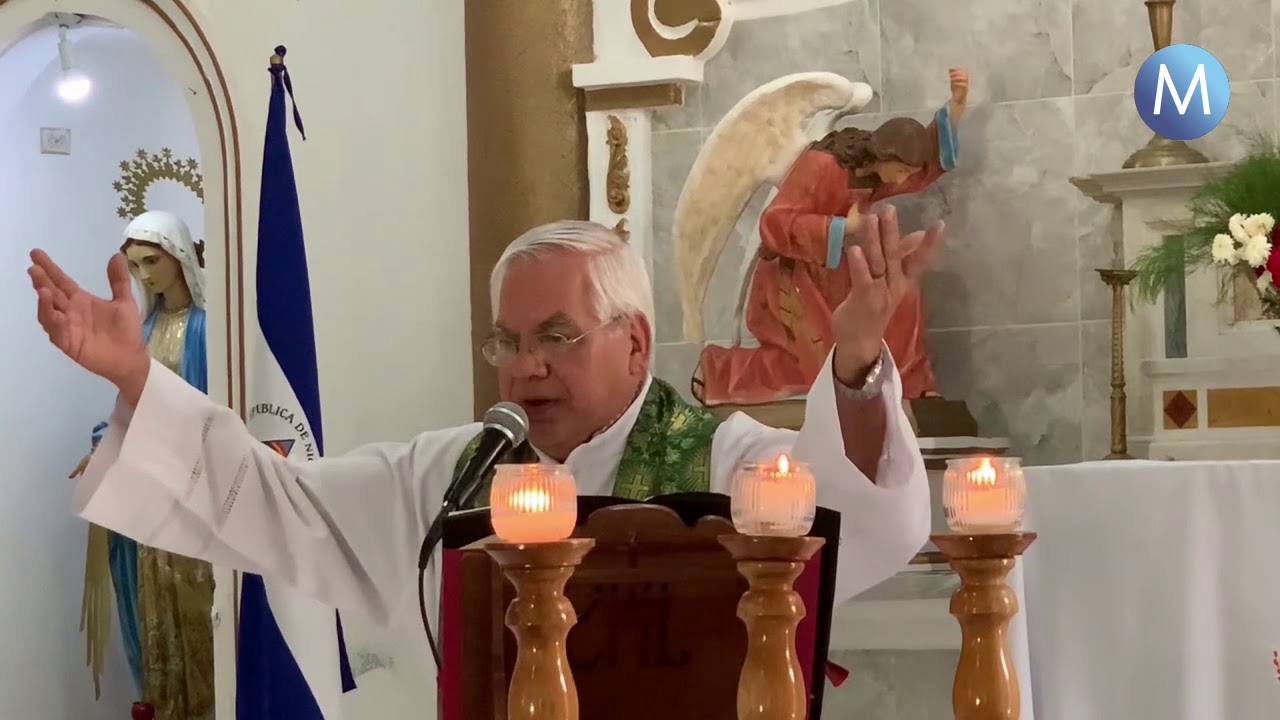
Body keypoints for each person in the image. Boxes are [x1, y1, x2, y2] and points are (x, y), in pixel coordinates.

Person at [27, 212, 938, 659]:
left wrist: (854, 370)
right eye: (507, 340)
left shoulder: (731, 464)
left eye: (555, 339)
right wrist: (138, 378)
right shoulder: (456, 477)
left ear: (636, 344)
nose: (523, 368)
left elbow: (854, 524)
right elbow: (276, 505)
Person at [694, 68, 968, 406]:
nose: (901, 183)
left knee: (895, 302)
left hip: (834, 270)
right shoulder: (821, 166)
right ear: (885, 156)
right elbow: (774, 223)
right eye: (899, 172)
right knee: (819, 365)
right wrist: (841, 228)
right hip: (791, 279)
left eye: (905, 175)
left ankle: (909, 385)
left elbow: (921, 169)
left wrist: (954, 110)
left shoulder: (874, 173)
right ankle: (721, 371)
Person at [71, 211, 213, 720]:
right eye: (134, 266)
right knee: (154, 612)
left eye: (152, 261)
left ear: (179, 256)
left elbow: (215, 411)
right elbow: (128, 406)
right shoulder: (145, 328)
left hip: (194, 495)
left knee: (200, 611)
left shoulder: (207, 330)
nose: (146, 276)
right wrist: (102, 447)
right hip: (149, 497)